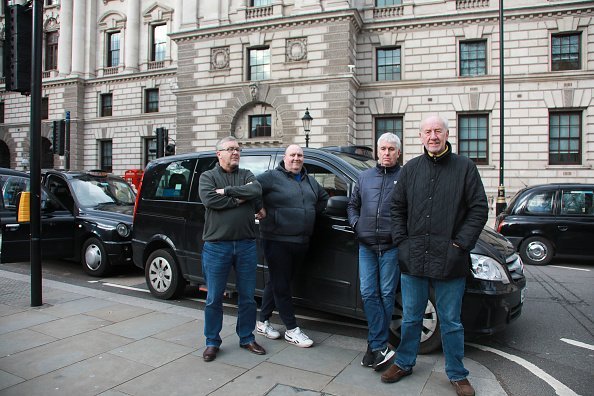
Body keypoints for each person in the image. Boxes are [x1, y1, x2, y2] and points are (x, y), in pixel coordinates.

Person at [383, 115, 488, 396]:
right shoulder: (411, 170)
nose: (433, 136)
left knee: (451, 321)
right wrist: (402, 243)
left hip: (450, 259)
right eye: (427, 131)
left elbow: (479, 209)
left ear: (446, 134)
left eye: (438, 131)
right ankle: (404, 362)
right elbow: (397, 209)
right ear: (420, 136)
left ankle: (457, 373)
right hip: (413, 257)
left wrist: (459, 246)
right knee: (411, 317)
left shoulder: (465, 168)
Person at [198, 136, 266, 362]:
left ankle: (246, 337)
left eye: (238, 149)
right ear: (219, 154)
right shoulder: (208, 176)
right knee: (214, 298)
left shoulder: (247, 174)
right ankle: (211, 342)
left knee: (247, 297)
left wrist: (226, 192)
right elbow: (210, 201)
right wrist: (240, 198)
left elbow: (256, 190)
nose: (235, 152)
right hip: (217, 246)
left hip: (246, 244)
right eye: (230, 149)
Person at [255, 144, 329, 348]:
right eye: (292, 155)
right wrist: (259, 208)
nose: (296, 158)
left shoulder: (310, 181)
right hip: (276, 239)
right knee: (282, 284)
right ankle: (291, 329)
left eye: (299, 155)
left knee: (278, 280)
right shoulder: (271, 177)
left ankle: (262, 321)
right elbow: (251, 189)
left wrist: (311, 213)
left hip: (301, 240)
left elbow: (323, 199)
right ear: (284, 158)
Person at [347, 132, 402, 371]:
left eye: (391, 149)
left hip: (391, 246)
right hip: (367, 245)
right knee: (369, 293)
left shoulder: (405, 177)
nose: (387, 153)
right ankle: (379, 344)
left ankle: (374, 346)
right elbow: (352, 205)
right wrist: (357, 224)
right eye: (383, 149)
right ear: (377, 151)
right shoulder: (364, 176)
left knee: (386, 294)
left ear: (398, 153)